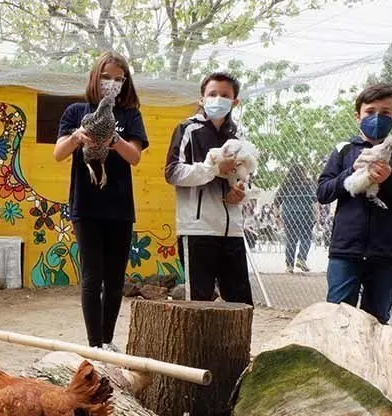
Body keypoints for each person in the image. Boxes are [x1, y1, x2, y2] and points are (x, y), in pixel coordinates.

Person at [53, 51, 149, 352]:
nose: (112, 83)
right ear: (95, 77)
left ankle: (108, 340)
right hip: (86, 206)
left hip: (119, 207)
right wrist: (78, 138)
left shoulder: (130, 115)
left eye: (119, 79)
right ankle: (94, 345)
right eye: (107, 77)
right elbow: (58, 153)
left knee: (115, 280)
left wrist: (113, 139)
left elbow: (134, 157)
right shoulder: (75, 111)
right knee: (92, 278)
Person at [316, 82, 392, 324]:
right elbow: (323, 192)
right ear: (358, 116)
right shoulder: (344, 150)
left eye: (385, 113)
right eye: (370, 112)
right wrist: (349, 173)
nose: (377, 118)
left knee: (376, 320)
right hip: (346, 250)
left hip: (387, 253)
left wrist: (389, 180)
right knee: (338, 317)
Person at [164, 72, 253, 305]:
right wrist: (212, 169)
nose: (218, 99)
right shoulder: (187, 129)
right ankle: (197, 344)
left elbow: (246, 174)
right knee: (199, 304)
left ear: (235, 102)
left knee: (241, 304)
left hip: (232, 230)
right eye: (212, 94)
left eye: (225, 95)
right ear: (202, 99)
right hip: (197, 230)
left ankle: (240, 343)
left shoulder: (239, 135)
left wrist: (241, 191)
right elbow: (172, 172)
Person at [275, 162, 317, 273]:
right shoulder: (308, 183)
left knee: (291, 239)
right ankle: (301, 258)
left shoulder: (286, 184)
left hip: (289, 214)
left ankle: (289, 266)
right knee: (306, 237)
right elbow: (314, 201)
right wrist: (316, 215)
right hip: (305, 213)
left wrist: (277, 216)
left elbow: (277, 201)